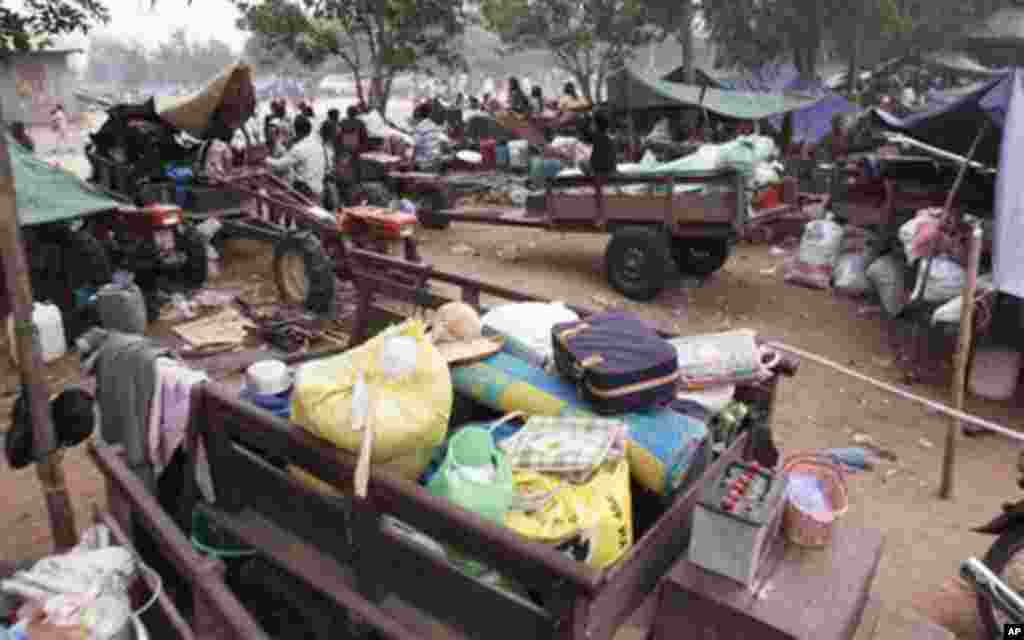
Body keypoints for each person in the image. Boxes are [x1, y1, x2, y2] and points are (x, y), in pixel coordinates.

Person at [265, 115, 325, 200]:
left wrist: (264, 159)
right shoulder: (317, 143)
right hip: (318, 189)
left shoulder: (299, 148)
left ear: (295, 131)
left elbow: (279, 165)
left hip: (306, 191)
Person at [580, 110, 616, 227]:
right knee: (585, 163)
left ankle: (600, 216)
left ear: (596, 125)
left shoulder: (598, 136)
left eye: (593, 124)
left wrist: (586, 118)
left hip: (600, 172)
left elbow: (584, 134)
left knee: (582, 162)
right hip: (609, 170)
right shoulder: (608, 137)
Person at [411, 102, 449, 171]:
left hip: (424, 164)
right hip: (435, 161)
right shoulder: (434, 126)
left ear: (418, 114)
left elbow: (414, 146)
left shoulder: (419, 127)